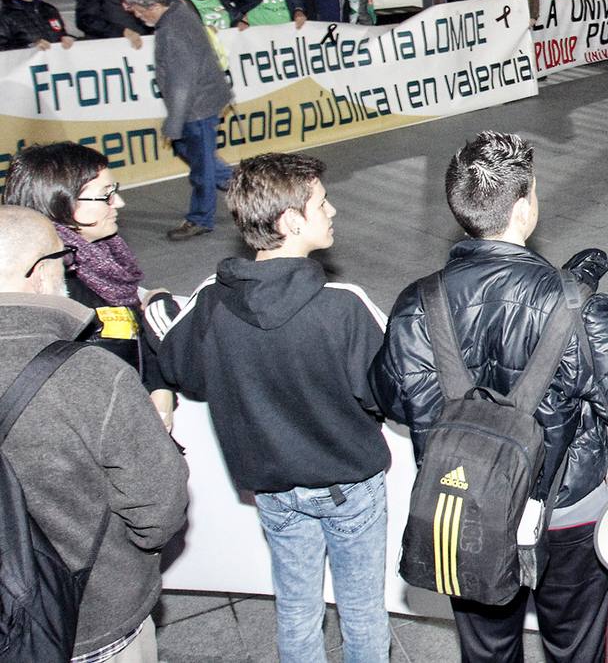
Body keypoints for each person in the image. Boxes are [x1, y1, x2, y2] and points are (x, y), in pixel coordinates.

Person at [373, 131, 608, 663]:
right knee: (574, 643)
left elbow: (387, 397)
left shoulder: (417, 302)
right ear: (524, 208)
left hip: (463, 503)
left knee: (487, 650)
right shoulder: (576, 303)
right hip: (566, 507)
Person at [152, 153, 392, 663]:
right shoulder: (343, 306)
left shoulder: (212, 302)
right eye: (322, 203)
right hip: (350, 486)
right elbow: (386, 394)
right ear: (291, 221)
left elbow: (183, 369)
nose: (333, 211)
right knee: (363, 612)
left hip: (272, 491)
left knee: (297, 609)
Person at [0, 206, 189, 663]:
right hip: (94, 617)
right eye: (63, 258)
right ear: (40, 272)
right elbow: (160, 507)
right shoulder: (89, 374)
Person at [2, 142, 178, 428]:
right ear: (61, 204)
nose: (119, 202)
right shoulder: (56, 293)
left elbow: (132, 332)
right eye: (105, 196)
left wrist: (160, 390)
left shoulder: (104, 261)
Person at [122, 0, 235, 242]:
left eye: (138, 10)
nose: (137, 16)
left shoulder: (172, 29)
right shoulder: (178, 8)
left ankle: (200, 218)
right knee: (194, 154)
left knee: (200, 167)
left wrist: (174, 123)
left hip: (198, 105)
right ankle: (244, 185)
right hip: (203, 100)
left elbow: (183, 83)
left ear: (151, 4)